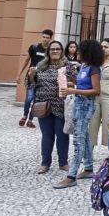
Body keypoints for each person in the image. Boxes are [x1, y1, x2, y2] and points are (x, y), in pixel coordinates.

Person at [54, 39, 102, 188]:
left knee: (78, 140)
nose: (77, 52)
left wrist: (73, 90)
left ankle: (71, 176)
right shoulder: (84, 67)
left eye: (80, 50)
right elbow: (83, 84)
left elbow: (96, 91)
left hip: (86, 106)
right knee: (85, 136)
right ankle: (88, 168)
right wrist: (71, 83)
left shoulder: (94, 69)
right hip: (79, 104)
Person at [32, 40, 76, 174]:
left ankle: (63, 162)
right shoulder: (41, 65)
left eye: (57, 49)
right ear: (48, 52)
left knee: (62, 135)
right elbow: (31, 85)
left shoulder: (68, 65)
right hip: (43, 105)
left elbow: (76, 82)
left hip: (61, 105)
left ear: (62, 51)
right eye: (52, 49)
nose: (55, 51)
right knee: (47, 135)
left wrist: (68, 83)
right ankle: (45, 163)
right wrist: (31, 76)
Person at [16, 28, 53, 128]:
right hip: (31, 77)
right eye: (43, 37)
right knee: (29, 98)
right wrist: (19, 74)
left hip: (43, 79)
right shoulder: (34, 47)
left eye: (47, 38)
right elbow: (26, 60)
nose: (45, 39)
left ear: (50, 39)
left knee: (37, 100)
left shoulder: (50, 51)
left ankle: (30, 119)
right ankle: (24, 115)